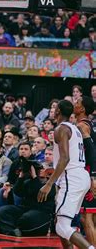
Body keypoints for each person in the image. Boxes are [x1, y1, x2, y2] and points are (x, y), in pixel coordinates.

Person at [38, 100, 93, 249]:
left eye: (55, 108)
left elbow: (65, 158)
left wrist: (48, 184)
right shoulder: (74, 128)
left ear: (57, 112)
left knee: (62, 227)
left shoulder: (61, 129)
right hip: (80, 175)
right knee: (63, 224)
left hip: (72, 178)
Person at [74, 96, 96, 245]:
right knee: (91, 218)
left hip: (89, 172)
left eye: (77, 103)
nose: (74, 104)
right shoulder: (88, 124)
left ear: (82, 109)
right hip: (90, 171)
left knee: (86, 218)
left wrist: (93, 176)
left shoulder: (82, 126)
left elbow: (92, 151)